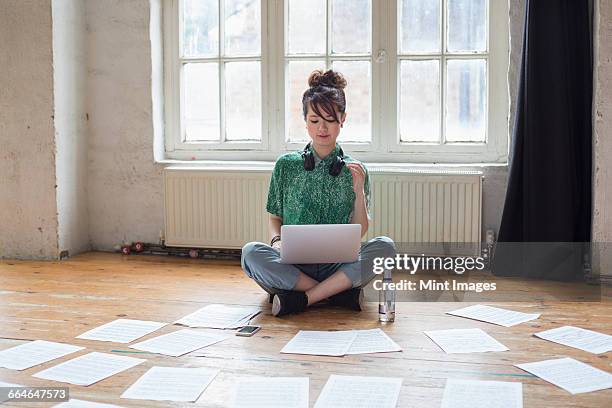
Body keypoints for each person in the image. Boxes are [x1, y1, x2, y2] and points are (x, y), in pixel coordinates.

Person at [241, 69, 395, 317]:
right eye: (314, 120)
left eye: (330, 120)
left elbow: (361, 229)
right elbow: (275, 217)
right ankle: (336, 295)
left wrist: (357, 187)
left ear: (343, 119)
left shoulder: (357, 170)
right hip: (293, 265)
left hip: (339, 266)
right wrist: (277, 242)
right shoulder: (286, 165)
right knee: (250, 253)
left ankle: (300, 300)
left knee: (385, 247)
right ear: (305, 121)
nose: (322, 128)